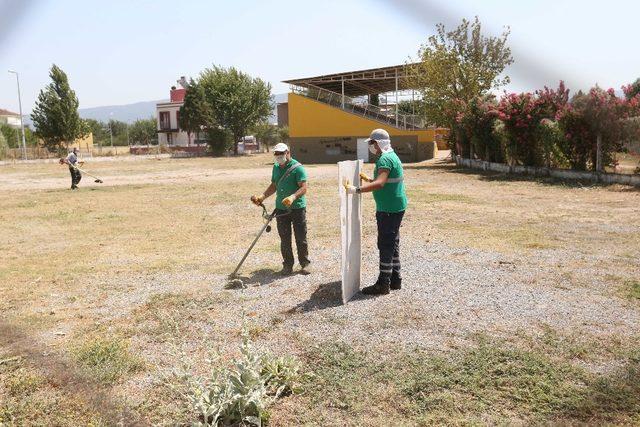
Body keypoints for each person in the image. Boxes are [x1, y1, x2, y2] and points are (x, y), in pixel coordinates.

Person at [345, 129, 407, 295]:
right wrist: (369, 180)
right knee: (393, 242)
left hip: (389, 208)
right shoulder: (392, 156)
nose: (371, 146)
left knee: (385, 244)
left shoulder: (385, 159)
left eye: (371, 143)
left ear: (378, 143)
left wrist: (356, 189)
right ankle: (395, 279)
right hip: (395, 206)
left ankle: (383, 283)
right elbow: (384, 182)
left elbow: (380, 184)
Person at [251, 143, 310, 275]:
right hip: (281, 209)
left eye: (281, 153)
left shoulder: (297, 168)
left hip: (297, 208)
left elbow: (304, 187)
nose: (278, 156)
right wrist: (262, 197)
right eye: (276, 154)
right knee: (284, 238)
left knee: (300, 237)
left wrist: (293, 197)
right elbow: (274, 185)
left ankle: (305, 264)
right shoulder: (276, 167)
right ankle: (287, 265)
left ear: (287, 152)